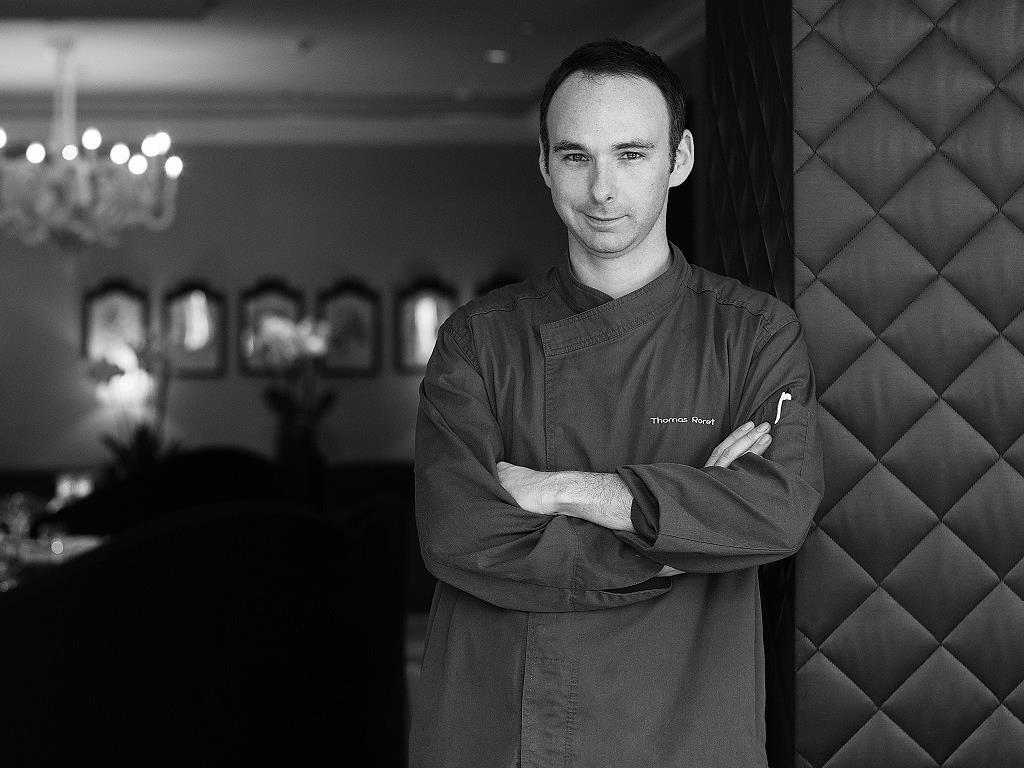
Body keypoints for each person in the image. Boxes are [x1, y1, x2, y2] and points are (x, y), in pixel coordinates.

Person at [410, 39, 823, 768]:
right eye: (576, 156)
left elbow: (776, 512)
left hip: (686, 726)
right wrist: (681, 540)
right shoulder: (478, 339)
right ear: (545, 165)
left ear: (679, 159)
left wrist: (564, 491)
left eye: (631, 154)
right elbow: (457, 530)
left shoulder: (754, 334)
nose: (602, 189)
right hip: (504, 726)